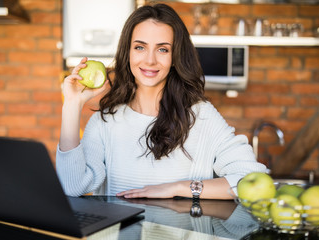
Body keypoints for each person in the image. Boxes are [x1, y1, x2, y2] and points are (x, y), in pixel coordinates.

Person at [56, 3, 266, 199]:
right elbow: (72, 187)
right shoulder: (105, 123)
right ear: (127, 52)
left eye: (162, 49)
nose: (150, 60)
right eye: (140, 47)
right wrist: (72, 105)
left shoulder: (201, 116)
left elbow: (254, 182)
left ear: (175, 57)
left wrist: (179, 188)